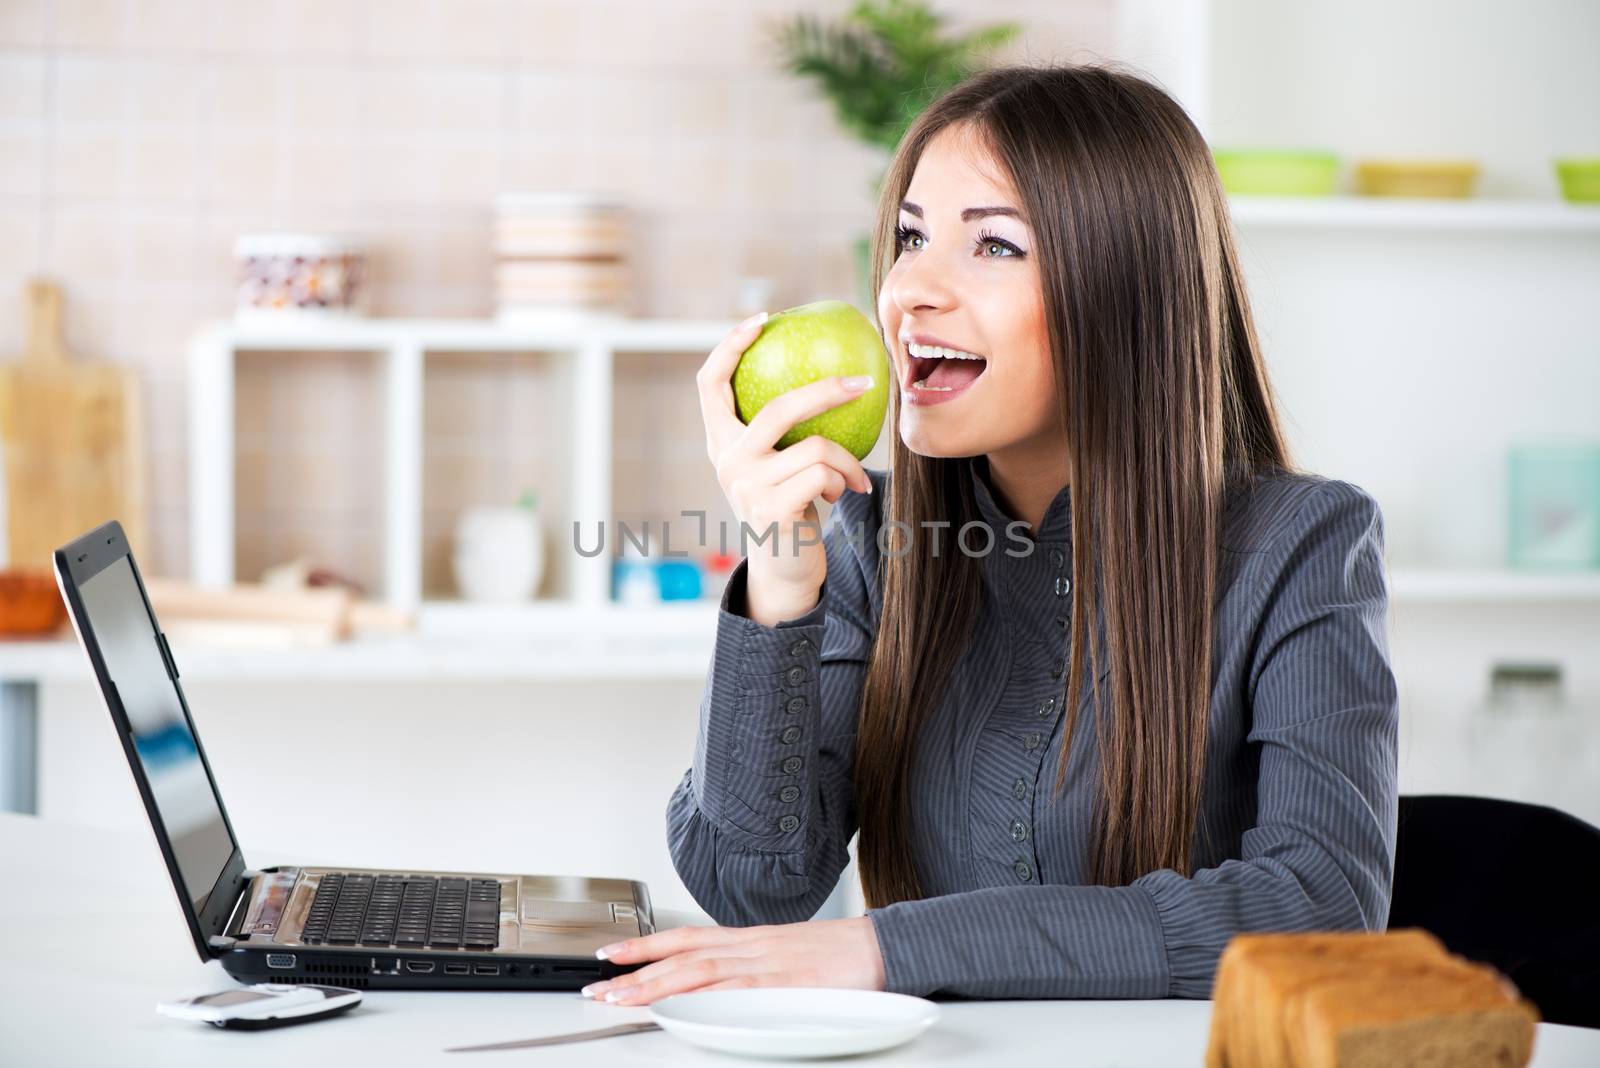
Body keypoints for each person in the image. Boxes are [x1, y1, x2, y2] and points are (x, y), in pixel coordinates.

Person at [579, 63, 1398, 1006]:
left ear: (1126, 290)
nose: (910, 291)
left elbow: (1319, 906)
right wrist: (778, 579)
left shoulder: (1303, 545)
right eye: (911, 237)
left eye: (995, 247)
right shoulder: (871, 539)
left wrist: (889, 949)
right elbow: (749, 882)